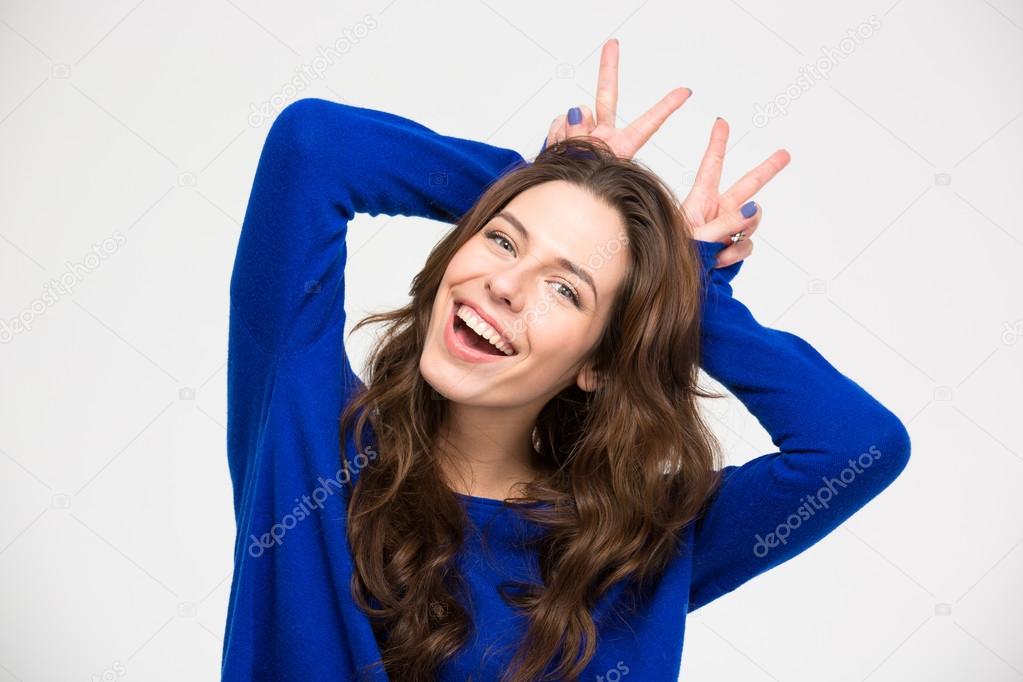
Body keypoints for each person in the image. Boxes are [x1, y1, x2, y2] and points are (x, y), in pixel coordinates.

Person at [223, 39, 911, 682]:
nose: (506, 285)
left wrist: (682, 291)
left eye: (564, 288)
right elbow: (314, 146)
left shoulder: (637, 543)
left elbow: (857, 444)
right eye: (501, 240)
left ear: (600, 362)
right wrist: (547, 181)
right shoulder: (306, 430)